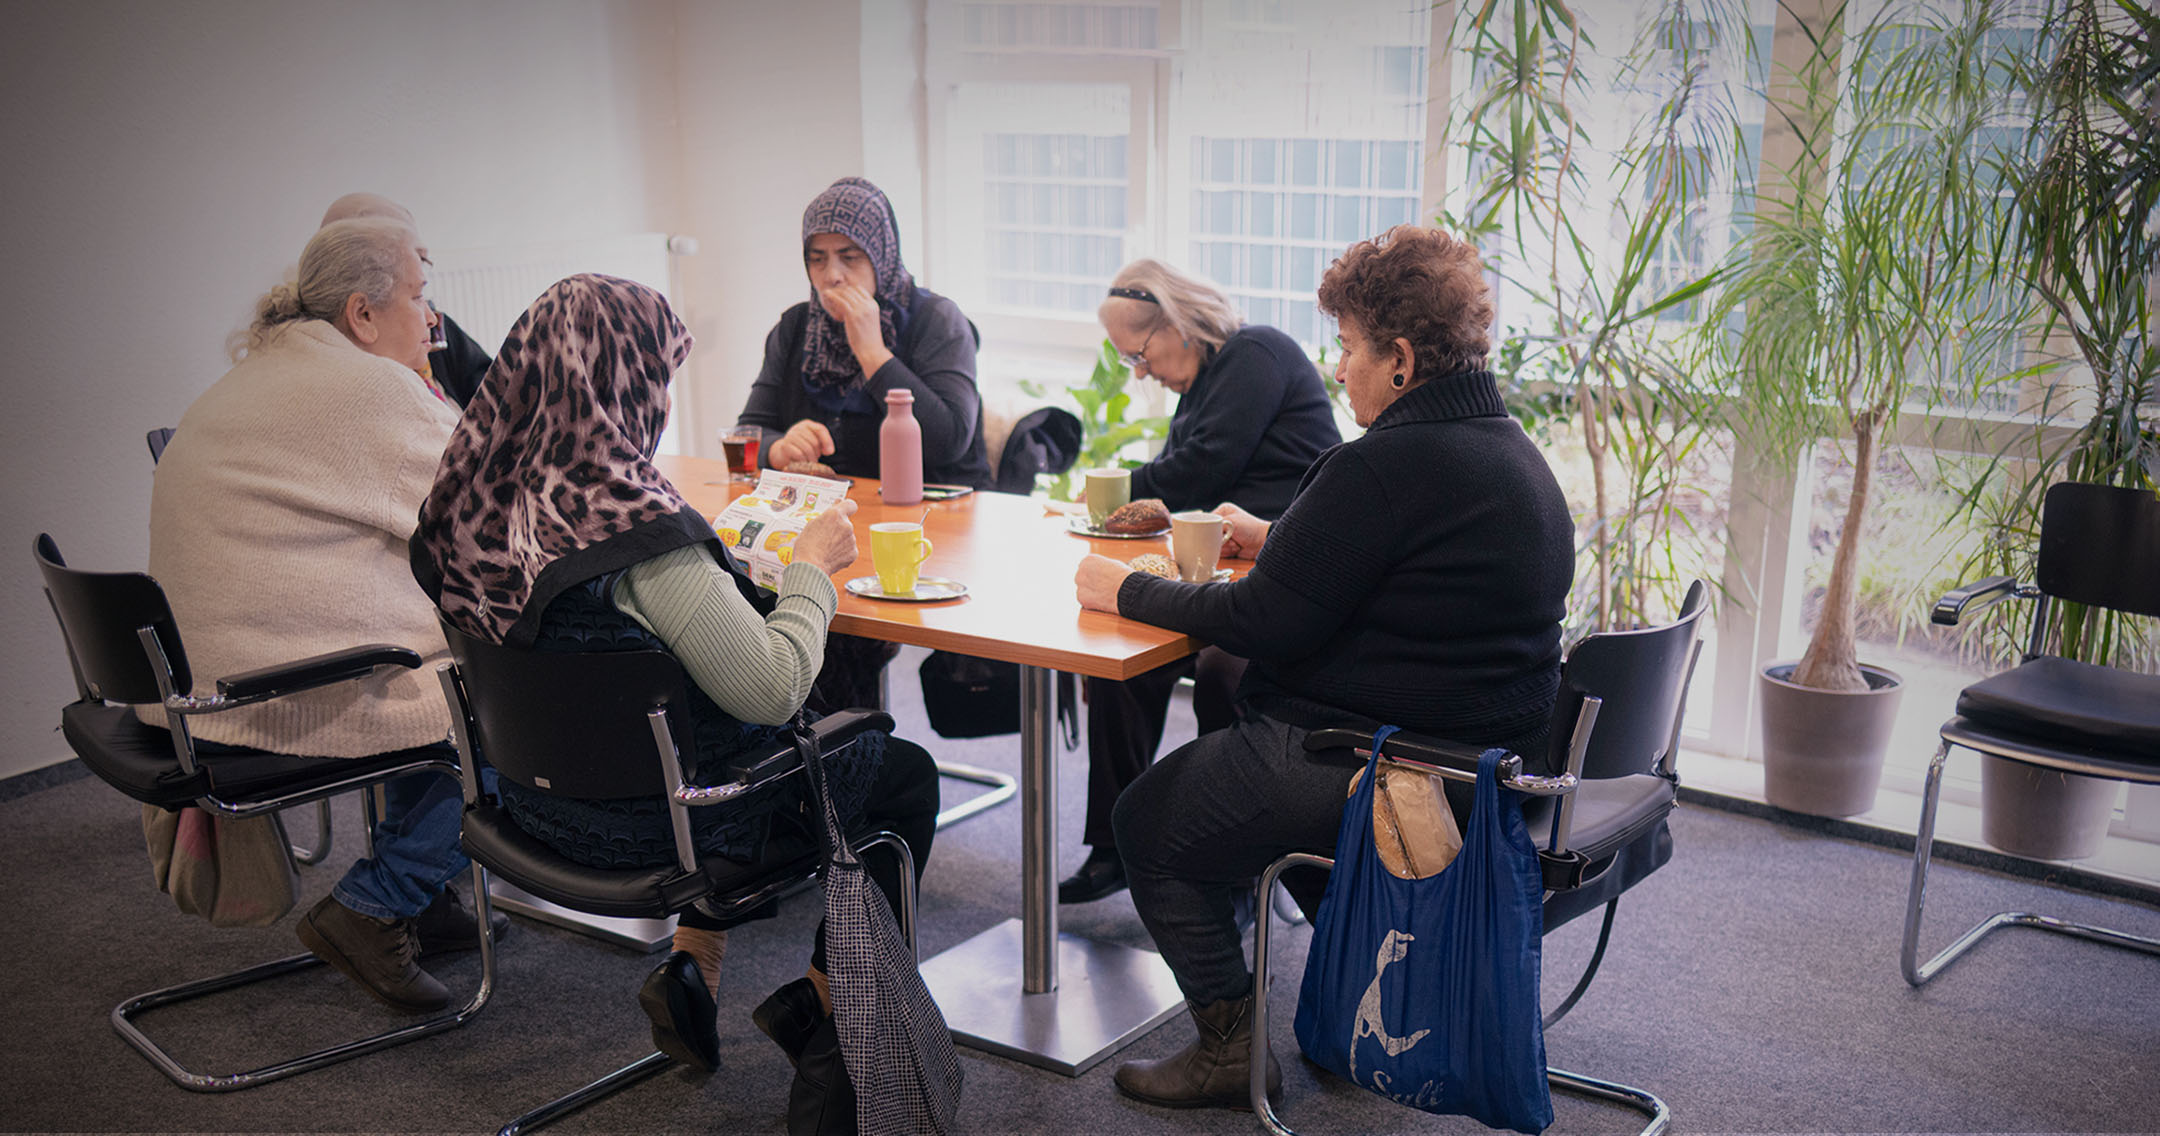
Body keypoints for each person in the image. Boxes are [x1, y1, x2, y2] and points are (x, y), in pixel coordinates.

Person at [1071, 225, 1575, 1110]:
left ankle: (1230, 1047)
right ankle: (1351, 999)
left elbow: (1261, 621)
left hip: (1386, 766)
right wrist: (1287, 542)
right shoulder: (1512, 454)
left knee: (1146, 821)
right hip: (1491, 768)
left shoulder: (1382, 465)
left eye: (1348, 348)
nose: (1337, 370)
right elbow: (1411, 580)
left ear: (1403, 360)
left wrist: (1126, 591)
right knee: (1217, 793)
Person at [412, 273, 941, 1086]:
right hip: (654, 826)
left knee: (701, 729)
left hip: (530, 807)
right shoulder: (640, 536)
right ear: (625, 381)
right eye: (656, 375)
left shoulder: (470, 508)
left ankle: (694, 969)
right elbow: (773, 689)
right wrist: (810, 572)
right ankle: (825, 1003)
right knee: (895, 772)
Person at [144, 216, 494, 1013]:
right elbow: (489, 507)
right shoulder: (366, 389)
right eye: (419, 294)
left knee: (434, 663)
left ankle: (422, 894)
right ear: (362, 315)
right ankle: (378, 904)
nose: (433, 318)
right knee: (500, 710)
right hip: (265, 695)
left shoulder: (257, 370)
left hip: (192, 683)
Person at [1059, 259, 1341, 904]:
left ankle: (1231, 871)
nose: (1141, 370)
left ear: (1178, 321)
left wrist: (1114, 495)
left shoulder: (1256, 352)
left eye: (1140, 352)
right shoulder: (1204, 383)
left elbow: (1201, 470)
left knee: (1222, 674)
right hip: (1220, 563)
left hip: (1280, 564)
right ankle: (1113, 846)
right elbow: (1180, 469)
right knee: (1118, 658)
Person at [738, 175, 992, 712]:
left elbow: (948, 440)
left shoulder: (936, 321)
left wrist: (873, 353)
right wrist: (781, 448)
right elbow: (752, 429)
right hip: (825, 528)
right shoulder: (794, 328)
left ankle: (851, 764)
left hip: (923, 529)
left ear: (882, 254)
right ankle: (819, 762)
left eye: (850, 257)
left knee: (835, 635)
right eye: (817, 258)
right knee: (751, 603)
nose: (832, 276)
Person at [319, 191, 492, 407]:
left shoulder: (432, 326)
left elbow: (495, 388)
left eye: (422, 257)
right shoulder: (346, 377)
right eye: (412, 255)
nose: (419, 267)